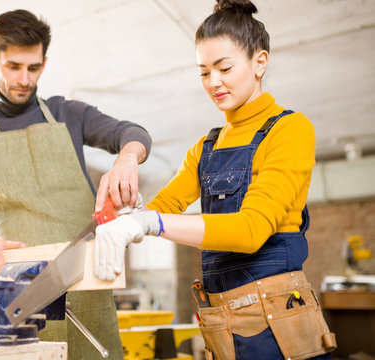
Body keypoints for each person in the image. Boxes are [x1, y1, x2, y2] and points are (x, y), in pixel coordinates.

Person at [93, 0, 336, 359]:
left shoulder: (289, 129)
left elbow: (250, 230)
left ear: (259, 62)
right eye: (204, 72)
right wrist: (127, 212)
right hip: (223, 325)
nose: (214, 83)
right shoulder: (205, 147)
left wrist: (152, 222)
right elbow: (162, 208)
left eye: (224, 67)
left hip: (280, 328)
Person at [0, 9, 152, 359]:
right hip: (23, 300)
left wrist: (128, 158)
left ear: (43, 62)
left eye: (34, 67)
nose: (25, 79)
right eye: (14, 67)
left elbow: (131, 133)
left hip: (91, 289)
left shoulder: (68, 113)